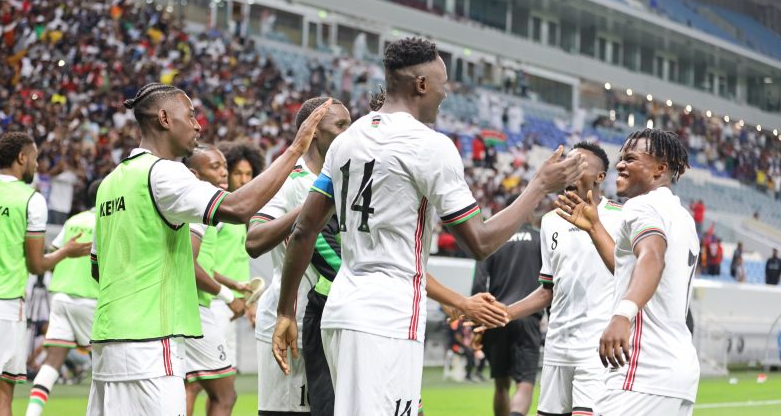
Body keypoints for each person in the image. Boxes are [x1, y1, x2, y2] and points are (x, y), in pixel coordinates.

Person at [271, 37, 584, 414]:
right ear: (421, 85)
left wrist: (285, 311)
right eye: (443, 84)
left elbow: (304, 231)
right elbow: (479, 242)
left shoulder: (347, 141)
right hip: (388, 315)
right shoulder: (428, 146)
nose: (446, 94)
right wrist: (538, 187)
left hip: (341, 310)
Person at [86, 83, 330, 416]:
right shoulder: (164, 173)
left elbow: (97, 268)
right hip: (150, 342)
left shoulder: (112, 181)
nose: (198, 125)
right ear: (164, 118)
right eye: (190, 115)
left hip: (107, 340)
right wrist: (295, 149)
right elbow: (239, 207)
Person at [556, 128, 700, 415]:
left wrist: (622, 315)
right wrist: (596, 228)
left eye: (631, 159)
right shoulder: (681, 215)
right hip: (677, 371)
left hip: (643, 367)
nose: (620, 164)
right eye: (621, 158)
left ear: (660, 168)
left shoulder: (641, 205)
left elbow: (652, 258)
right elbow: (632, 268)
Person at [476, 141, 623, 416]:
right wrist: (505, 313)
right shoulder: (551, 221)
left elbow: (629, 276)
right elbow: (547, 291)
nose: (569, 170)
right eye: (567, 164)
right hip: (557, 348)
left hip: (596, 350)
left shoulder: (621, 217)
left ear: (600, 176)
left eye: (578, 164)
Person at [246, 96, 351, 415]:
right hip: (290, 319)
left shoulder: (348, 181)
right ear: (315, 131)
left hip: (333, 320)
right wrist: (307, 210)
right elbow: (254, 239)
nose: (349, 133)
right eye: (341, 125)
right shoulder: (290, 180)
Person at [0, 132, 91, 416]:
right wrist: (66, 251)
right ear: (22, 158)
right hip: (3, 306)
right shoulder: (32, 200)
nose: (38, 165)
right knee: (2, 397)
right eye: (36, 158)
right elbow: (36, 266)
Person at [182, 144, 250, 416]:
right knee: (223, 392)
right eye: (215, 167)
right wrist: (228, 296)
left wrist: (234, 286)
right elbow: (189, 263)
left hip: (193, 304)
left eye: (224, 166)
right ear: (194, 174)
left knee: (189, 384)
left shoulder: (198, 206)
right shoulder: (200, 204)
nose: (224, 173)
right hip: (199, 307)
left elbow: (200, 262)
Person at [26, 179, 102, 416]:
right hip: (90, 298)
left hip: (60, 297)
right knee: (106, 364)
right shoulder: (109, 220)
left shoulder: (73, 221)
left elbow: (54, 252)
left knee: (52, 362)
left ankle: (31, 414)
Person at [471, 195, 547, 416]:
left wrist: (478, 323)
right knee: (525, 383)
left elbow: (478, 284)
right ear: (530, 212)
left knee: (500, 384)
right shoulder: (541, 239)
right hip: (527, 317)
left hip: (496, 318)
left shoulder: (493, 241)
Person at [210, 141, 266, 364]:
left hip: (234, 307)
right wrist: (228, 295)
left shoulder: (240, 216)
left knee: (225, 386)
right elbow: (199, 263)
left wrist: (249, 302)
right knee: (197, 384)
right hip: (213, 304)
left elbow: (238, 261)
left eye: (249, 174)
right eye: (237, 173)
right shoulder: (217, 212)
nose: (244, 180)